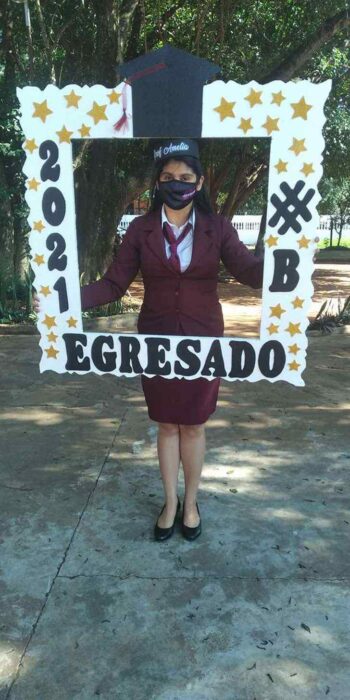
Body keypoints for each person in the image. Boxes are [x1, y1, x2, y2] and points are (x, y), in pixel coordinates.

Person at [33, 138, 264, 543]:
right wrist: (61, 299)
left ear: (200, 181)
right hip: (155, 340)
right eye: (168, 177)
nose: (177, 183)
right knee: (166, 425)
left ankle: (191, 503)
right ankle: (169, 502)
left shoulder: (217, 228)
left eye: (185, 177)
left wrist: (289, 269)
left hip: (203, 340)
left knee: (192, 425)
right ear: (158, 182)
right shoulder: (140, 229)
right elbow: (112, 285)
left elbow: (248, 271)